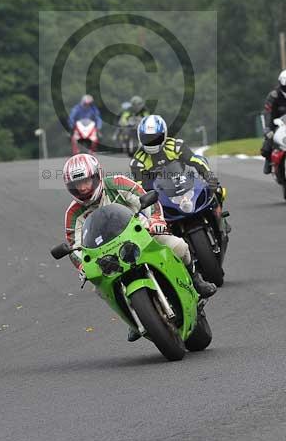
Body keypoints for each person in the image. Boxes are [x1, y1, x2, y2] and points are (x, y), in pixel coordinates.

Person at [63, 153, 217, 341]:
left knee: (178, 245)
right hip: (107, 255)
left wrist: (155, 220)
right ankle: (133, 317)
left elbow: (146, 199)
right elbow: (74, 245)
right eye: (77, 185)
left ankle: (196, 280)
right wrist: (82, 266)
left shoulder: (118, 183)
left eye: (87, 181)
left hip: (141, 234)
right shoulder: (73, 213)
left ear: (97, 176)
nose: (83, 188)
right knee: (99, 287)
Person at [130, 115, 225, 204]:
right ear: (140, 138)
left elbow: (196, 161)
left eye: (156, 138)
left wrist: (209, 177)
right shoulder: (138, 161)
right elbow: (140, 187)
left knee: (217, 191)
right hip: (161, 195)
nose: (152, 142)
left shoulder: (176, 146)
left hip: (186, 184)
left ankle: (218, 214)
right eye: (147, 138)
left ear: (164, 135)